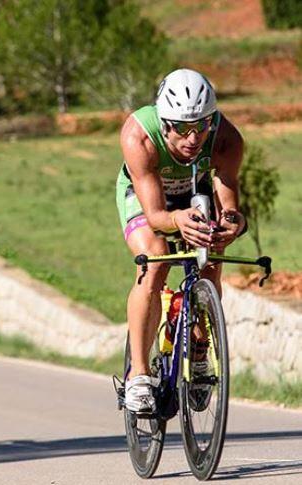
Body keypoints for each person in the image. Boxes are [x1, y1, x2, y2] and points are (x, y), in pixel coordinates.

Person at [116, 68, 247, 413]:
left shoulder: (226, 138)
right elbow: (156, 213)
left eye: (202, 125)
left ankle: (199, 345)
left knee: (212, 254)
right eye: (182, 128)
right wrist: (175, 222)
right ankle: (139, 376)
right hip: (148, 199)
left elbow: (228, 196)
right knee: (156, 259)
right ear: (164, 123)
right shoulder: (138, 136)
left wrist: (231, 221)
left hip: (195, 191)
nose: (193, 138)